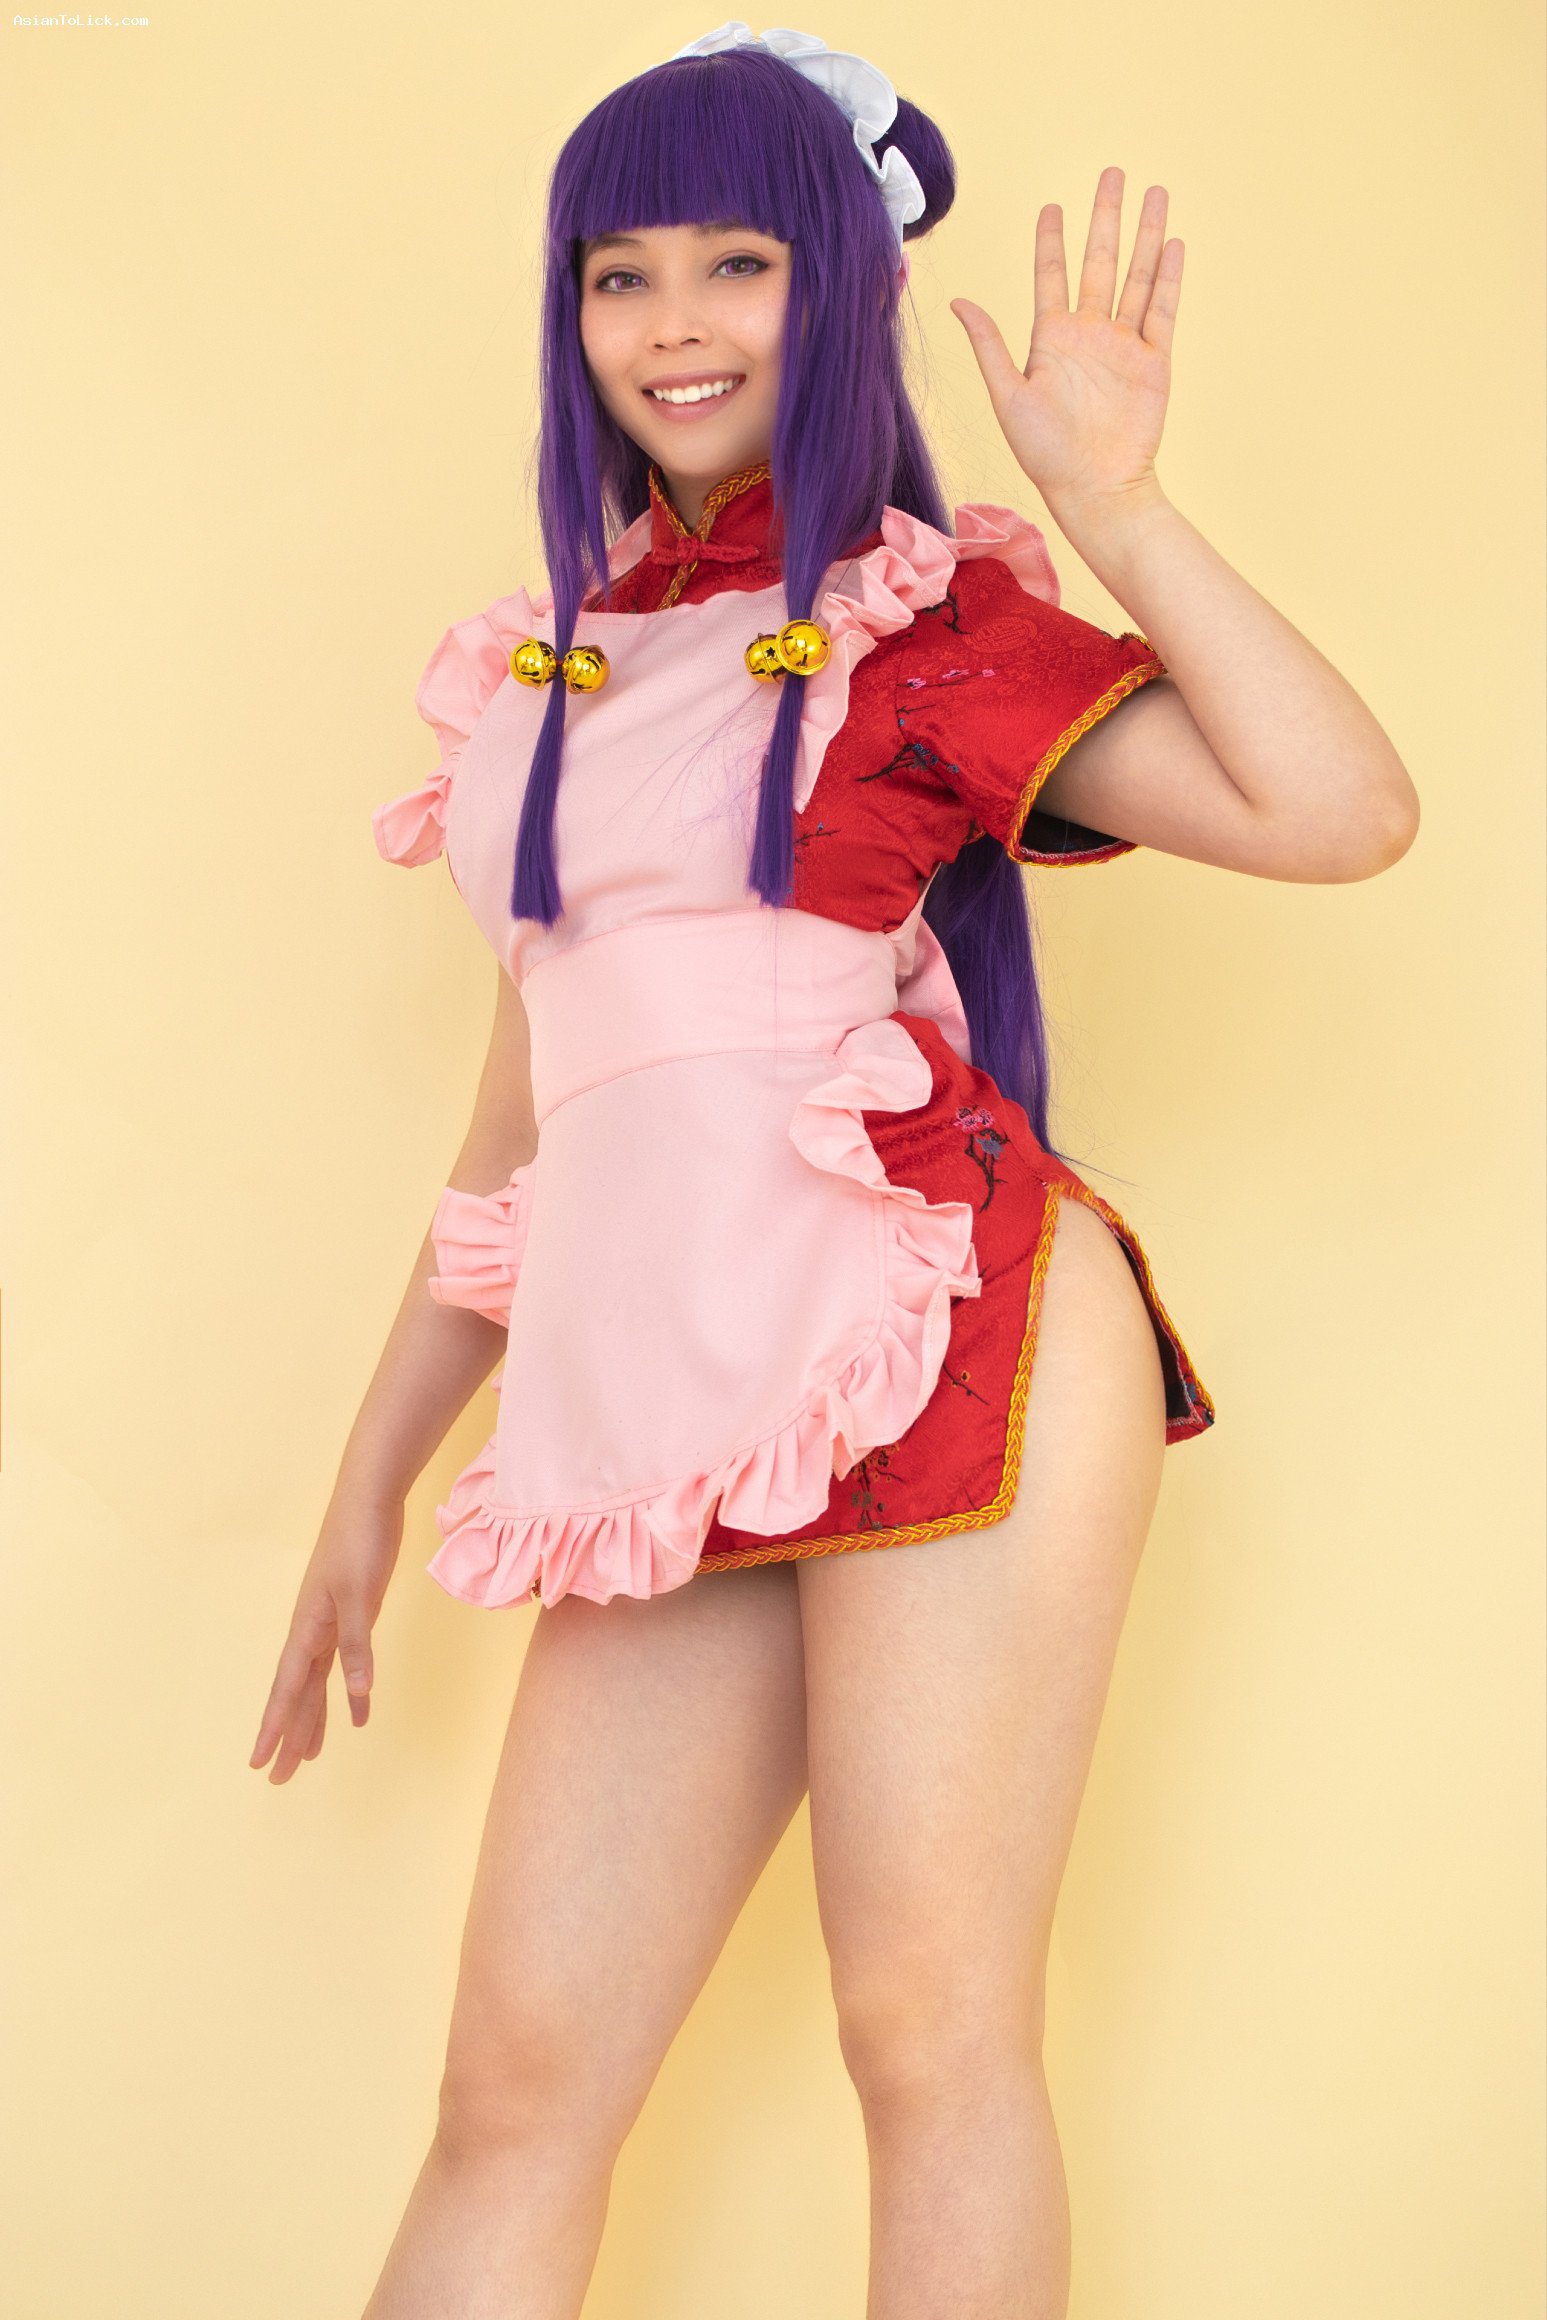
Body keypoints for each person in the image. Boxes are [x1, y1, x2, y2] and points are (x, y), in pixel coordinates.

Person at [250, 25, 1418, 2317]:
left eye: (737, 260)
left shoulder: (914, 623)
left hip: (946, 1332)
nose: (671, 321)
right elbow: (526, 1127)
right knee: (519, 2084)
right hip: (667, 1391)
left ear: (842, 285)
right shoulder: (554, 683)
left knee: (926, 2025)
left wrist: (1120, 510)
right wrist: (365, 1487)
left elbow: (1342, 810)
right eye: (619, 271)